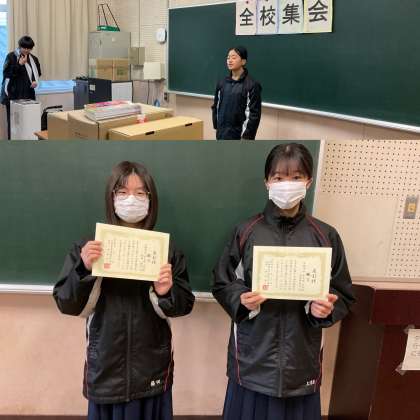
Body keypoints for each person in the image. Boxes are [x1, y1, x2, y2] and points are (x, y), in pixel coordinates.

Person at [212, 143, 355, 420]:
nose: (286, 185)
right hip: (252, 360)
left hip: (301, 362)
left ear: (308, 181)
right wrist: (240, 299)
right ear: (267, 182)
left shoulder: (326, 235)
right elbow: (222, 282)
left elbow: (342, 291)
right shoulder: (245, 231)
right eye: (278, 177)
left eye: (296, 177)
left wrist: (325, 309)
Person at [53, 161, 195, 420]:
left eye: (140, 193)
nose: (131, 199)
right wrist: (84, 269)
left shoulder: (167, 250)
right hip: (106, 368)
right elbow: (66, 302)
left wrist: (166, 292)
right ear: (112, 198)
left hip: (152, 367)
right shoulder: (89, 247)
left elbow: (184, 305)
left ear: (150, 200)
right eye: (123, 192)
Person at [212, 46, 262, 140]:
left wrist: (246, 137)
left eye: (234, 58)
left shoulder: (252, 85)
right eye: (228, 58)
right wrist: (217, 127)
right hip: (221, 134)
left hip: (239, 136)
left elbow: (253, 115)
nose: (229, 60)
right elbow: (216, 106)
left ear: (243, 61)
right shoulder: (222, 83)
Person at [1, 36, 41, 139]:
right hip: (13, 95)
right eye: (24, 48)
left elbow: (38, 73)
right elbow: (7, 74)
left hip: (28, 95)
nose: (26, 50)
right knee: (13, 123)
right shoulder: (11, 57)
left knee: (28, 121)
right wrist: (19, 64)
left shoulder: (34, 59)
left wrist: (34, 81)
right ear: (20, 46)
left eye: (29, 48)